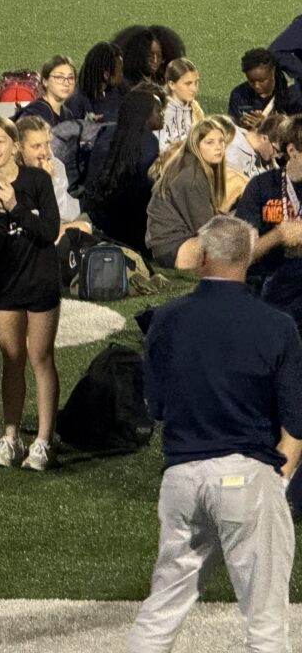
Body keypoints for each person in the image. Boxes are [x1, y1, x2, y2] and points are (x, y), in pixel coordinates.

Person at [128, 215, 302, 653]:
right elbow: (296, 421)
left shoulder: (164, 320)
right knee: (265, 623)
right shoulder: (278, 326)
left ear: (203, 257)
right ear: (246, 260)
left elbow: (157, 407)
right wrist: (278, 479)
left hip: (182, 478)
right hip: (247, 477)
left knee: (160, 611)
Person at [0, 118, 61, 471]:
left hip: (41, 282)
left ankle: (43, 440)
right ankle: (10, 436)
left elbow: (49, 231)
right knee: (12, 360)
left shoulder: (37, 181)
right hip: (7, 283)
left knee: (40, 358)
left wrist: (14, 207)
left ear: (14, 145)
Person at [235, 117, 302, 327]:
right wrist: (278, 236)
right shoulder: (262, 187)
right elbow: (241, 255)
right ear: (292, 151)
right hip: (271, 282)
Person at [83, 88, 164, 255]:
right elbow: (146, 194)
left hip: (99, 221)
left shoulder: (107, 134)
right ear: (144, 114)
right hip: (133, 230)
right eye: (158, 110)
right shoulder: (149, 142)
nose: (162, 114)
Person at [146, 118, 228, 270]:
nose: (218, 147)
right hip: (173, 248)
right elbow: (205, 226)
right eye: (209, 142)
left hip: (171, 245)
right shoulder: (192, 176)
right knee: (238, 240)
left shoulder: (192, 165)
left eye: (221, 141)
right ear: (195, 146)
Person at [230, 48, 302, 130]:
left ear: (273, 72)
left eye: (262, 81)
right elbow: (231, 130)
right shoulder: (239, 94)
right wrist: (242, 126)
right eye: (251, 81)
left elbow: (297, 131)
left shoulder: (293, 95)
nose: (256, 86)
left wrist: (265, 124)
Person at [15, 55, 83, 127]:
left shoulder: (67, 114)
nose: (66, 83)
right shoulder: (36, 112)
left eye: (70, 78)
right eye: (59, 77)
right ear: (45, 81)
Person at [157, 57, 204, 152]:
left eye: (196, 82)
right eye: (188, 84)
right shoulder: (159, 110)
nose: (194, 89)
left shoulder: (195, 108)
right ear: (172, 84)